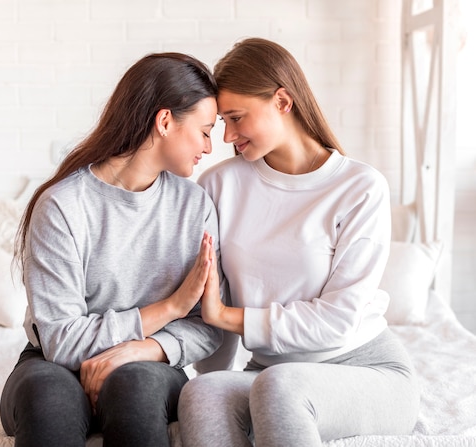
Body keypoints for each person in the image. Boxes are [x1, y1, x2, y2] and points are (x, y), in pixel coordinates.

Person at [178, 38, 420, 446]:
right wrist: (214, 372)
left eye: (237, 118)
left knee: (281, 386)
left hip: (366, 369)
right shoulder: (219, 185)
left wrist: (226, 316)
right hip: (269, 372)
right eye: (222, 122)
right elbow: (213, 299)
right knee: (202, 393)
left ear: (283, 102)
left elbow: (338, 320)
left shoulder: (359, 187)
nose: (228, 136)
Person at [0, 52, 225, 447]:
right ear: (165, 121)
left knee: (134, 388)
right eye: (205, 130)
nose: (209, 147)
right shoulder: (63, 206)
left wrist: (143, 349)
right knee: (49, 398)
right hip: (51, 365)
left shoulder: (195, 207)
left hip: (151, 365)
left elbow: (208, 326)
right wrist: (169, 308)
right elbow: (63, 341)